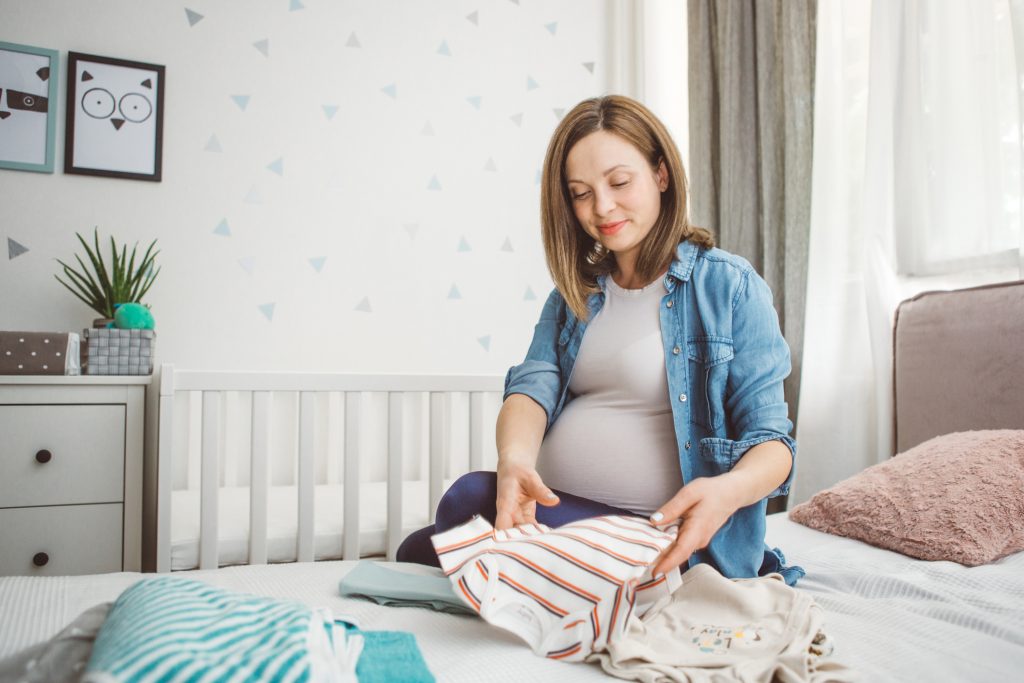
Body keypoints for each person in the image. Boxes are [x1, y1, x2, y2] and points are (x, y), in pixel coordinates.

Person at [397, 95, 801, 585]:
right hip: (569, 516)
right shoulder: (576, 295)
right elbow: (531, 389)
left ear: (661, 176)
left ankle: (560, 572)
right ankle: (548, 569)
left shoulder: (729, 287)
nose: (602, 207)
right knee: (416, 547)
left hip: (661, 535)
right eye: (580, 192)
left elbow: (772, 443)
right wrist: (516, 461)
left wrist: (728, 491)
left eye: (619, 182)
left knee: (462, 507)